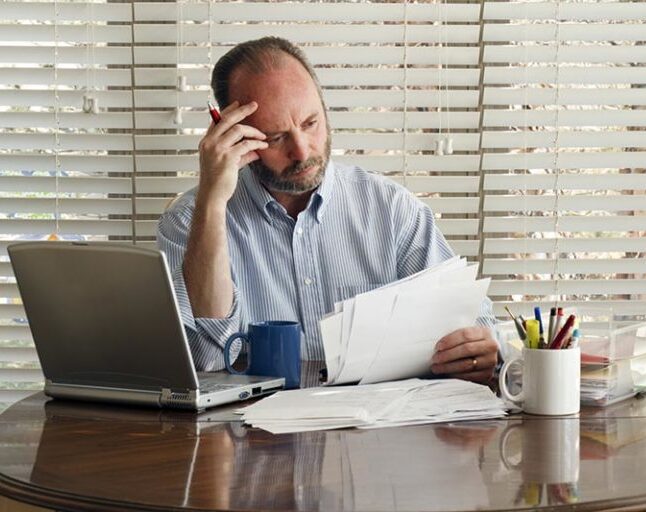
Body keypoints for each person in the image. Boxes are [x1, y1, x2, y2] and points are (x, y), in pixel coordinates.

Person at [157, 36, 500, 387]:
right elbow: (207, 359)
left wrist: (481, 349)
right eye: (275, 137)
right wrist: (213, 203)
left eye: (310, 123)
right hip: (253, 435)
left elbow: (477, 323)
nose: (303, 152)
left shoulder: (390, 209)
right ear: (235, 137)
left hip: (377, 431)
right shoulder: (190, 221)